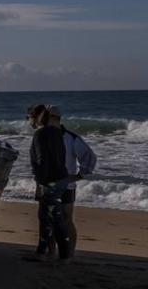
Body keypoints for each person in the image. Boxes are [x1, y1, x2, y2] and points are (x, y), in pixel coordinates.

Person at [46, 105, 97, 253]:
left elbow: (89, 157)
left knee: (66, 219)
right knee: (48, 220)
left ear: (54, 119)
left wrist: (79, 176)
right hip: (48, 184)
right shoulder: (44, 137)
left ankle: (69, 252)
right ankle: (51, 252)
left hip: (66, 186)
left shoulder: (71, 138)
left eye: (47, 118)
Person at [27, 103, 73, 262]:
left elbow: (41, 160)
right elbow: (61, 156)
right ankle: (42, 252)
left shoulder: (40, 134)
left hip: (50, 182)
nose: (29, 122)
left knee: (54, 219)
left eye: (30, 118)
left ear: (36, 119)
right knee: (47, 217)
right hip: (61, 179)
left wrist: (40, 184)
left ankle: (63, 255)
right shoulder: (57, 133)